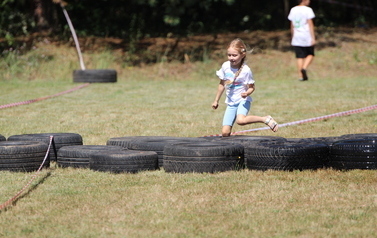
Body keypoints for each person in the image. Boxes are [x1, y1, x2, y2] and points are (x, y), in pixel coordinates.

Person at [211, 38, 278, 137]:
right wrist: (216, 100)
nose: (231, 58)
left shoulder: (246, 70)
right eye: (229, 55)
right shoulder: (225, 66)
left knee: (240, 120)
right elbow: (222, 84)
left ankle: (265, 119)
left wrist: (247, 93)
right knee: (225, 132)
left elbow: (252, 87)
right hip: (231, 103)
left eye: (234, 55)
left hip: (243, 100)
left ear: (242, 55)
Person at [288, 0, 316, 81]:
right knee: (310, 54)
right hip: (306, 35)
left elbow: (292, 24)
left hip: (297, 35)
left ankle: (301, 76)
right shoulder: (308, 10)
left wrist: (292, 35)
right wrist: (313, 37)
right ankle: (304, 67)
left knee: (299, 56)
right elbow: (310, 24)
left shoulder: (293, 9)